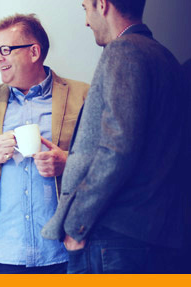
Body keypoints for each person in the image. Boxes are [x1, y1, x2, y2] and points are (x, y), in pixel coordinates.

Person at [42, 0, 187, 274]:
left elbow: (117, 148)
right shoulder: (166, 58)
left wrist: (77, 225)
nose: (86, 20)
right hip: (161, 238)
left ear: (102, 4)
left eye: (85, 7)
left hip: (115, 242)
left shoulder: (123, 51)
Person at [0, 14, 89, 274]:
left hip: (62, 249)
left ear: (34, 52)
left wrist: (67, 162)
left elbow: (106, 162)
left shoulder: (82, 94)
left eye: (5, 49)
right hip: (3, 251)